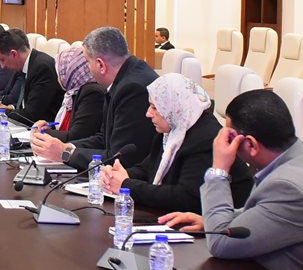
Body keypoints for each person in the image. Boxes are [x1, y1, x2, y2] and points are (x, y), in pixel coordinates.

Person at [158, 89, 303, 270]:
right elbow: (269, 213)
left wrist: (219, 169)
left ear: (251, 144)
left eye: (229, 137)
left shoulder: (290, 187)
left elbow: (219, 244)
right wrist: (208, 220)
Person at [101, 74, 249, 213]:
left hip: (226, 225)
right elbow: (148, 169)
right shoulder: (172, 130)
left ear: (175, 107)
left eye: (154, 107)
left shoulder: (204, 139)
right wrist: (116, 175)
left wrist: (126, 185)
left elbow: (185, 198)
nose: (148, 113)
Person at [56, 26, 160, 173]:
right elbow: (104, 138)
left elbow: (120, 157)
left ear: (101, 65)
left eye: (87, 62)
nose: (87, 68)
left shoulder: (132, 89)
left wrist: (66, 154)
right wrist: (68, 147)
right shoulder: (124, 78)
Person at [27, 44, 106, 163]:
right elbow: (68, 127)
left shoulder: (92, 93)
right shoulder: (72, 93)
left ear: (71, 71)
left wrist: (42, 132)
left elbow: (77, 136)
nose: (58, 77)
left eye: (60, 71)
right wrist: (50, 127)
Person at [0, 29, 62, 126]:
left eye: (2, 60)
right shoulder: (24, 65)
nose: (2, 66)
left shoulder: (42, 68)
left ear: (14, 54)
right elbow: (25, 103)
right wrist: (11, 108)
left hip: (45, 129)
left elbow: (32, 115)